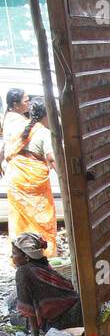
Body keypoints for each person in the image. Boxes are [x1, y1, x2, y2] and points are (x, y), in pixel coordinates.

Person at [4, 99, 58, 257]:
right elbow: (52, 158)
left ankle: (20, 254)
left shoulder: (18, 128)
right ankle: (42, 254)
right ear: (47, 115)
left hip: (15, 179)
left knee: (20, 220)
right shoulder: (44, 132)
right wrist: (64, 179)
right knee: (41, 218)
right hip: (34, 185)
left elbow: (5, 149)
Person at [8, 233, 80, 336]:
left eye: (14, 254)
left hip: (57, 322)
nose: (12, 257)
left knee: (14, 316)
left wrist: (35, 335)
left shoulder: (23, 272)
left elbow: (29, 310)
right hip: (75, 306)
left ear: (26, 257)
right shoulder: (42, 265)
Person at [0, 88, 30, 168]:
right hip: (17, 167)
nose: (29, 103)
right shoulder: (16, 121)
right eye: (26, 101)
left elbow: (5, 144)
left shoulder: (11, 117)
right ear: (16, 105)